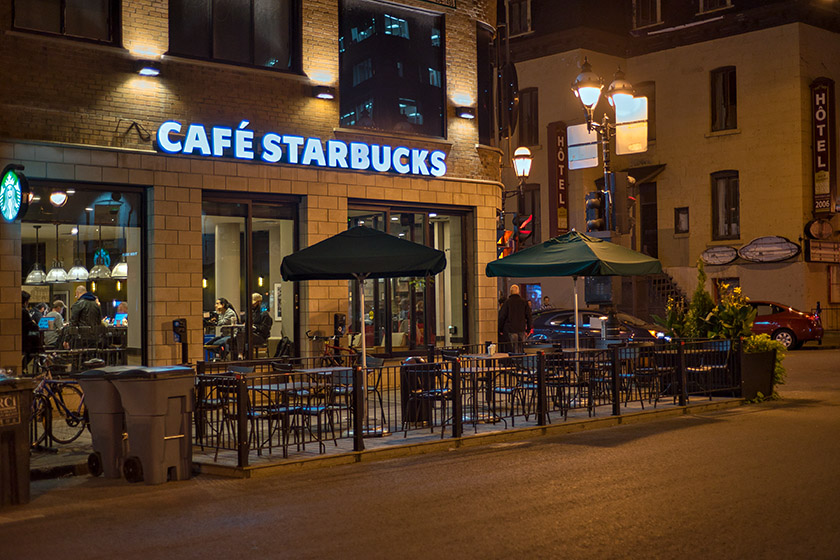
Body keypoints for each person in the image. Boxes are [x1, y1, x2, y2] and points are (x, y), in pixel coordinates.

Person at [498, 284, 532, 354]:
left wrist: (500, 329)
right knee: (521, 348)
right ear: (518, 292)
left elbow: (502, 316)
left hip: (510, 329)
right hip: (521, 328)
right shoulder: (524, 302)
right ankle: (521, 362)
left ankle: (514, 362)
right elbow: (529, 316)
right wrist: (528, 330)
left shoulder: (507, 302)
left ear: (510, 292)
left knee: (513, 349)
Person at [22, 291, 42, 372]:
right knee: (37, 350)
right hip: (27, 342)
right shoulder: (24, 311)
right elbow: (31, 326)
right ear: (26, 302)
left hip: (22, 340)